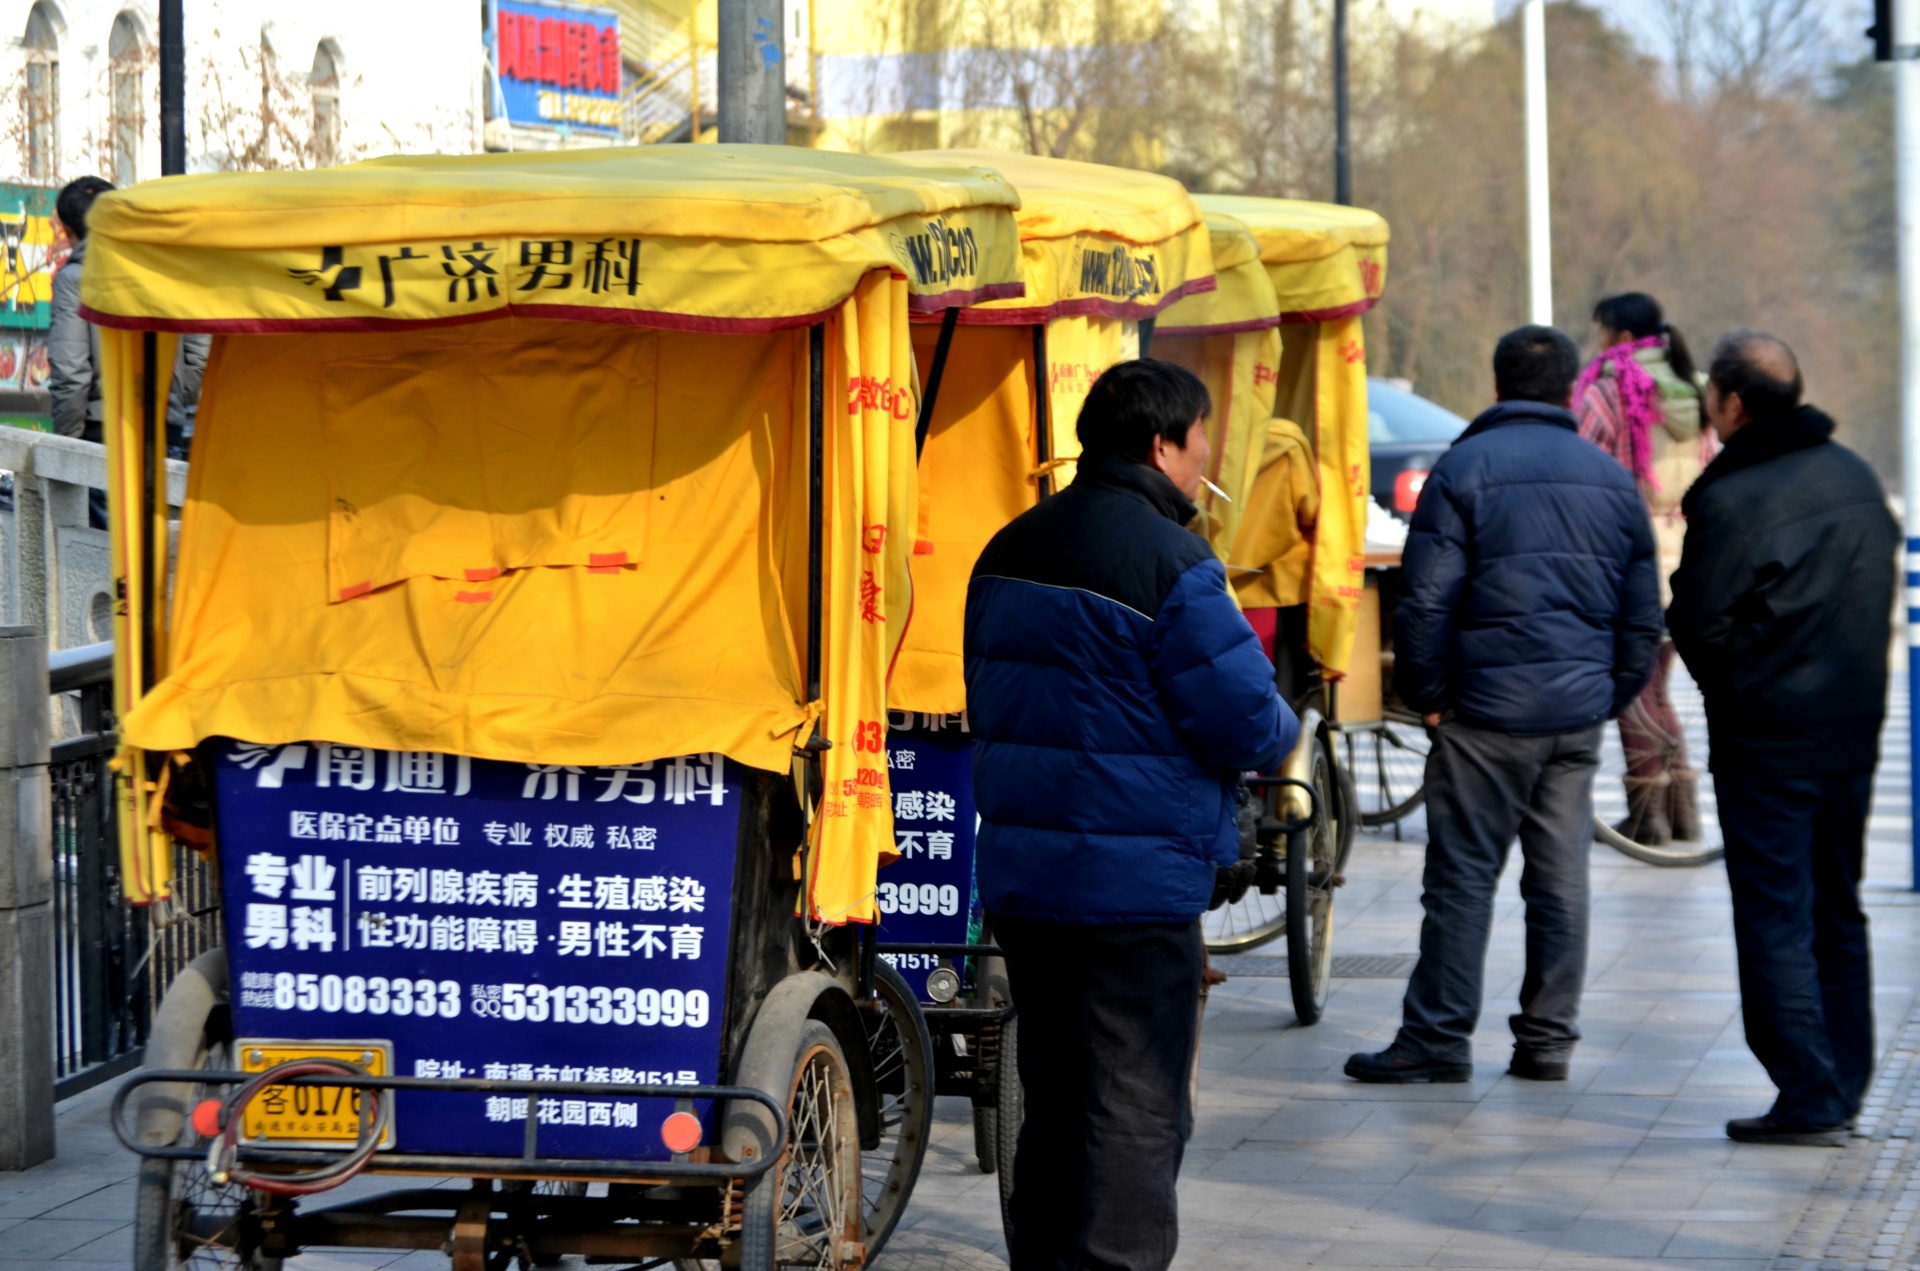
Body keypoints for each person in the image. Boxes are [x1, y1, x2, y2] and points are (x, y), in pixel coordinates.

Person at [965, 358, 1296, 1271]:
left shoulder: (1008, 546)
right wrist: (1283, 721)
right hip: (1134, 889)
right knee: (1139, 1105)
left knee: (1058, 1099)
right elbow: (1247, 720)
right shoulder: (1174, 562)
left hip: (1027, 881)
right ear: (1162, 443)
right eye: (1200, 444)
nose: (1204, 464)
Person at [1346, 326, 1661, 1085]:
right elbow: (1642, 612)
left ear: (1496, 388)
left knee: (1461, 877)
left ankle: (1438, 1038)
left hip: (1484, 713)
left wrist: (1429, 696)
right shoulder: (1610, 478)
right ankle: (1547, 1042)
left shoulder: (1463, 468)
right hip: (1574, 715)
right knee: (1561, 882)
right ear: (1566, 391)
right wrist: (1607, 693)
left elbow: (1423, 602)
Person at [1666, 332, 1897, 1146]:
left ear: (1730, 403)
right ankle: (1842, 1077)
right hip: (1849, 732)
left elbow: (1696, 619)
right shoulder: (1856, 475)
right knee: (1837, 907)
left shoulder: (1734, 497)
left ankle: (1807, 1087)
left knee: (1775, 911)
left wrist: (1737, 691)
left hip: (1768, 736)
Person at [1575, 292, 1714, 846]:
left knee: (1635, 686)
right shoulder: (1700, 389)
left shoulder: (1611, 390)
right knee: (1657, 681)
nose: (1598, 343)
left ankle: (1649, 813)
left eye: (1602, 332)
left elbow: (1583, 469)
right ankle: (1683, 811)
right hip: (1689, 548)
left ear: (1623, 339)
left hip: (1631, 551)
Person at [49, 176, 207, 525]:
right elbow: (199, 356)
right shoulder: (167, 271)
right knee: (162, 553)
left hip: (102, 438)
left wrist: (67, 447)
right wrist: (173, 398)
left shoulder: (74, 279)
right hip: (165, 430)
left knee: (106, 561)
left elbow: (70, 373)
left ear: (68, 230)